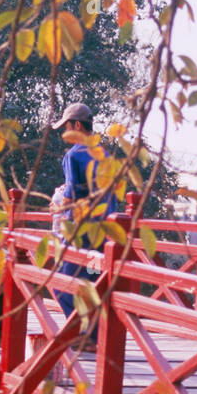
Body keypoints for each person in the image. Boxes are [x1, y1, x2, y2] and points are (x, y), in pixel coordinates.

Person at [51, 101, 118, 328]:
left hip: (81, 233)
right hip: (105, 233)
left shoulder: (74, 154)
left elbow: (71, 193)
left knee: (60, 285)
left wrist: (58, 209)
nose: (64, 132)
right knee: (92, 283)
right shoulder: (104, 153)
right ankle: (96, 336)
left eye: (66, 126)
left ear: (77, 125)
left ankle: (87, 336)